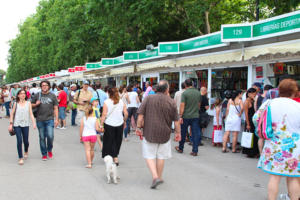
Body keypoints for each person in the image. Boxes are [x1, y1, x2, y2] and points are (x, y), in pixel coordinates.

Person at [257, 79, 300, 200]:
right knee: (293, 177)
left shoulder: (269, 103)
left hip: (274, 145)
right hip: (294, 147)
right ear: (294, 92)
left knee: (274, 178)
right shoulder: (298, 106)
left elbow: (257, 119)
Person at [136, 80, 181, 189]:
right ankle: (159, 177)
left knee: (149, 155)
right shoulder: (171, 102)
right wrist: (178, 133)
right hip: (165, 133)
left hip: (149, 132)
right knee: (161, 156)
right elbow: (176, 121)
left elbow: (140, 116)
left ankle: (155, 177)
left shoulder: (148, 98)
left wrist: (138, 128)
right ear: (167, 90)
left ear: (156, 89)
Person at [31, 80, 59, 161]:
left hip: (50, 119)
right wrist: (36, 104)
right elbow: (31, 105)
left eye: (46, 85)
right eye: (43, 85)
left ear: (49, 86)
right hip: (40, 119)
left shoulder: (52, 95)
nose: (44, 86)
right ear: (41, 87)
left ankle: (49, 149)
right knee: (42, 137)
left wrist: (57, 119)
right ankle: (44, 153)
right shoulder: (37, 95)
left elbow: (56, 108)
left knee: (50, 136)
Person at [100, 87, 128, 165]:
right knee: (117, 141)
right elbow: (126, 114)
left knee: (108, 141)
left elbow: (104, 114)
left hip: (109, 124)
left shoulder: (106, 102)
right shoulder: (121, 102)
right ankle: (115, 157)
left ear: (108, 93)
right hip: (119, 124)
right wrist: (124, 121)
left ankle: (108, 157)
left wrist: (101, 125)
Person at [8, 89, 36, 165]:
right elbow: (12, 114)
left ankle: (26, 150)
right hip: (17, 124)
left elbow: (31, 114)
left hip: (26, 124)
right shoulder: (15, 104)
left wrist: (34, 122)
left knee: (26, 141)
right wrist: (11, 124)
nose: (23, 95)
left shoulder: (28, 103)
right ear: (18, 95)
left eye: (24, 93)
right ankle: (20, 157)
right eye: (21, 93)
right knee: (19, 140)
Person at [175, 79, 202, 156]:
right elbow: (199, 105)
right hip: (195, 116)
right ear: (192, 84)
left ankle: (181, 148)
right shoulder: (198, 93)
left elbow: (182, 105)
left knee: (183, 133)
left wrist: (180, 115)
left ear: (186, 85)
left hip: (186, 116)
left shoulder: (185, 93)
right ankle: (195, 150)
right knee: (195, 133)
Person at [243, 88, 259, 158]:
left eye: (255, 93)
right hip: (249, 120)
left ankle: (254, 152)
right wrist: (248, 124)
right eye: (254, 93)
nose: (255, 95)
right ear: (249, 94)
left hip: (253, 120)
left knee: (254, 137)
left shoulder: (253, 100)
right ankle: (250, 152)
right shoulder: (246, 101)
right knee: (251, 137)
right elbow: (246, 114)